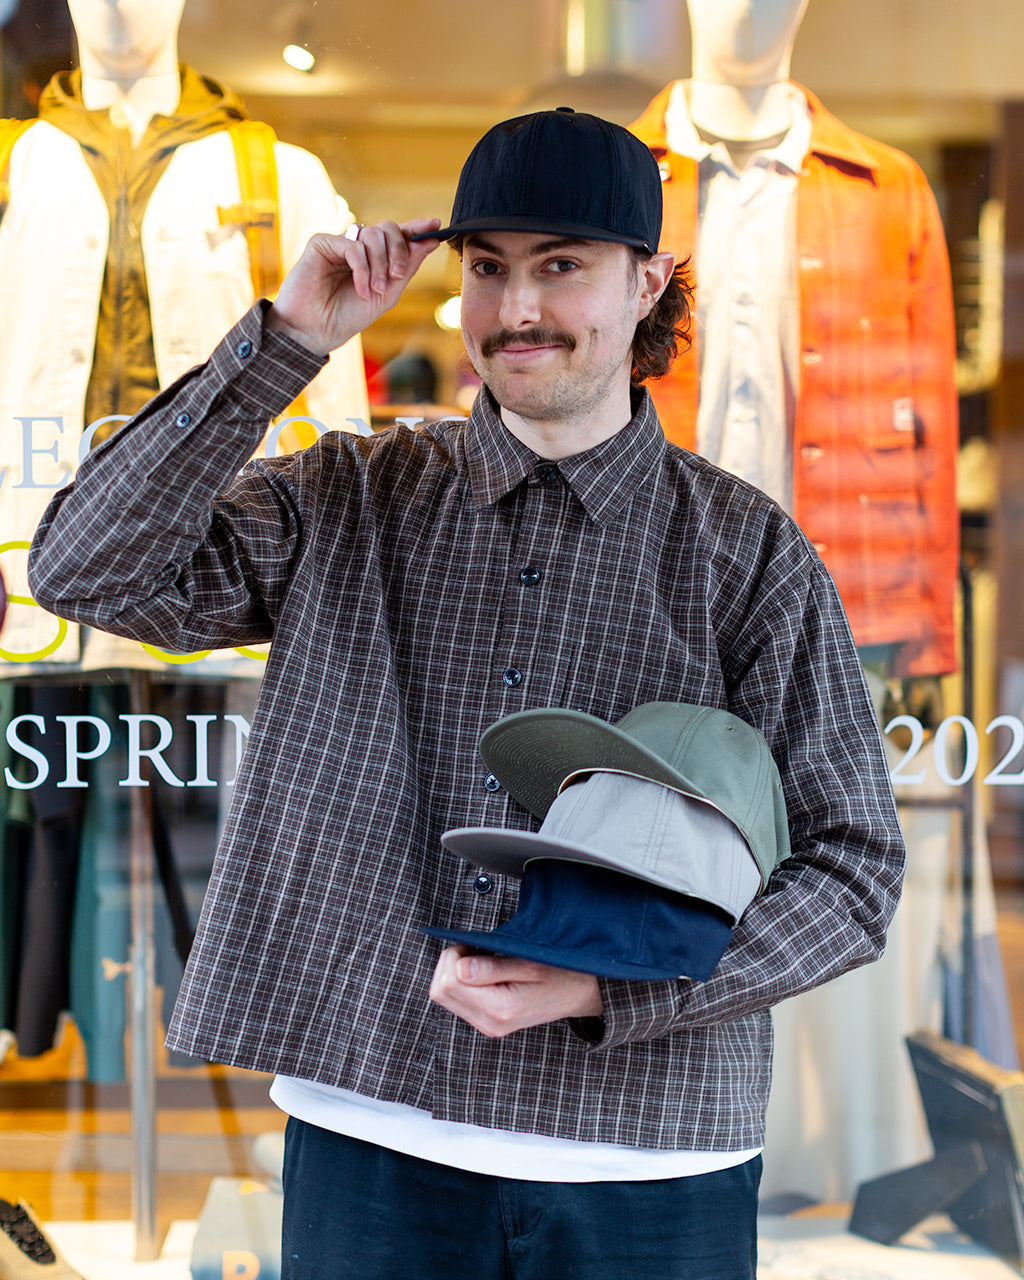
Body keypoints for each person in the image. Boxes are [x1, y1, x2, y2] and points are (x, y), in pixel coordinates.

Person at [28, 107, 905, 1279]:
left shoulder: (745, 551)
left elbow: (851, 867)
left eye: (561, 266)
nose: (518, 309)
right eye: (487, 269)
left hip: (647, 1161)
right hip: (372, 1133)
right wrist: (286, 339)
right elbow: (83, 567)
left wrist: (610, 985)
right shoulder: (349, 494)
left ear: (646, 283)